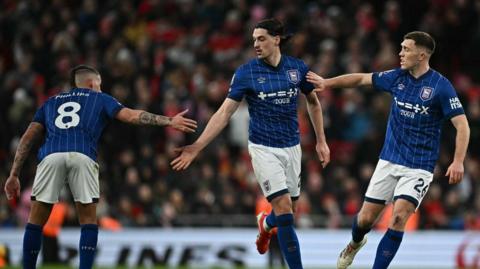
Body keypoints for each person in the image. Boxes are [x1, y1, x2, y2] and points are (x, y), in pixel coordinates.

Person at [171, 18, 330, 269]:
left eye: (261, 38)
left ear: (277, 39)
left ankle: (266, 224)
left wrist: (321, 140)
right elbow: (224, 113)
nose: (256, 43)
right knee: (286, 213)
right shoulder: (246, 73)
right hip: (263, 148)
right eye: (254, 39)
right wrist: (197, 146)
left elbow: (312, 101)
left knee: (288, 213)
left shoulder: (297, 68)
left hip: (292, 147)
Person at [3, 64, 197, 269]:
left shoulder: (49, 103)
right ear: (90, 83)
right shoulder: (100, 99)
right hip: (83, 154)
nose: (101, 88)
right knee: (88, 221)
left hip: (51, 155)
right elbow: (132, 116)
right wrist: (168, 120)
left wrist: (14, 174)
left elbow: (27, 138)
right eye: (99, 84)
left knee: (35, 222)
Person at [306, 31, 470, 269]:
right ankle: (354, 244)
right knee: (364, 220)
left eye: (406, 49)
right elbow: (361, 79)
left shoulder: (441, 87)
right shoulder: (397, 78)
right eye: (401, 48)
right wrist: (327, 83)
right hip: (389, 161)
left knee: (399, 217)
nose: (400, 53)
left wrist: (458, 161)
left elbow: (462, 125)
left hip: (419, 166)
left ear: (422, 54)